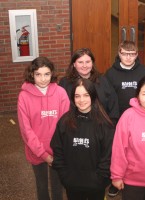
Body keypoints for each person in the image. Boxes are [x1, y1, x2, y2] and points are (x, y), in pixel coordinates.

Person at [51, 78, 114, 200]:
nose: (82, 100)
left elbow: (109, 155)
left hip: (97, 185)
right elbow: (57, 150)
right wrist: (65, 176)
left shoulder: (104, 124)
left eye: (86, 95)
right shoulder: (64, 122)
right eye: (77, 96)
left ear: (93, 96)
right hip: (72, 184)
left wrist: (100, 179)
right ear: (73, 98)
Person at [17, 57, 70, 200]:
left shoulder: (60, 93)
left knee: (58, 185)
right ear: (32, 74)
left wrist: (59, 150)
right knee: (41, 185)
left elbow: (65, 124)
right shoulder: (24, 96)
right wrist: (43, 154)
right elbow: (26, 130)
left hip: (57, 150)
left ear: (52, 73)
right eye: (38, 74)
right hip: (36, 150)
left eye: (46, 74)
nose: (42, 79)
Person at [105, 40, 145, 196]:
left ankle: (135, 178)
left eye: (132, 54)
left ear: (137, 55)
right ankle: (115, 180)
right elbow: (108, 98)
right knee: (118, 152)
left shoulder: (144, 71)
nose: (128, 58)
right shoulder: (110, 73)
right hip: (119, 120)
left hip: (140, 119)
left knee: (136, 151)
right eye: (125, 54)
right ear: (119, 54)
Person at [59, 48, 119, 122]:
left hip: (100, 126)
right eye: (80, 62)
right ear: (74, 64)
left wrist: (111, 125)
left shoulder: (103, 80)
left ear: (92, 63)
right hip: (74, 127)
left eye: (87, 62)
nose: (84, 65)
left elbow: (113, 104)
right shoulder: (65, 83)